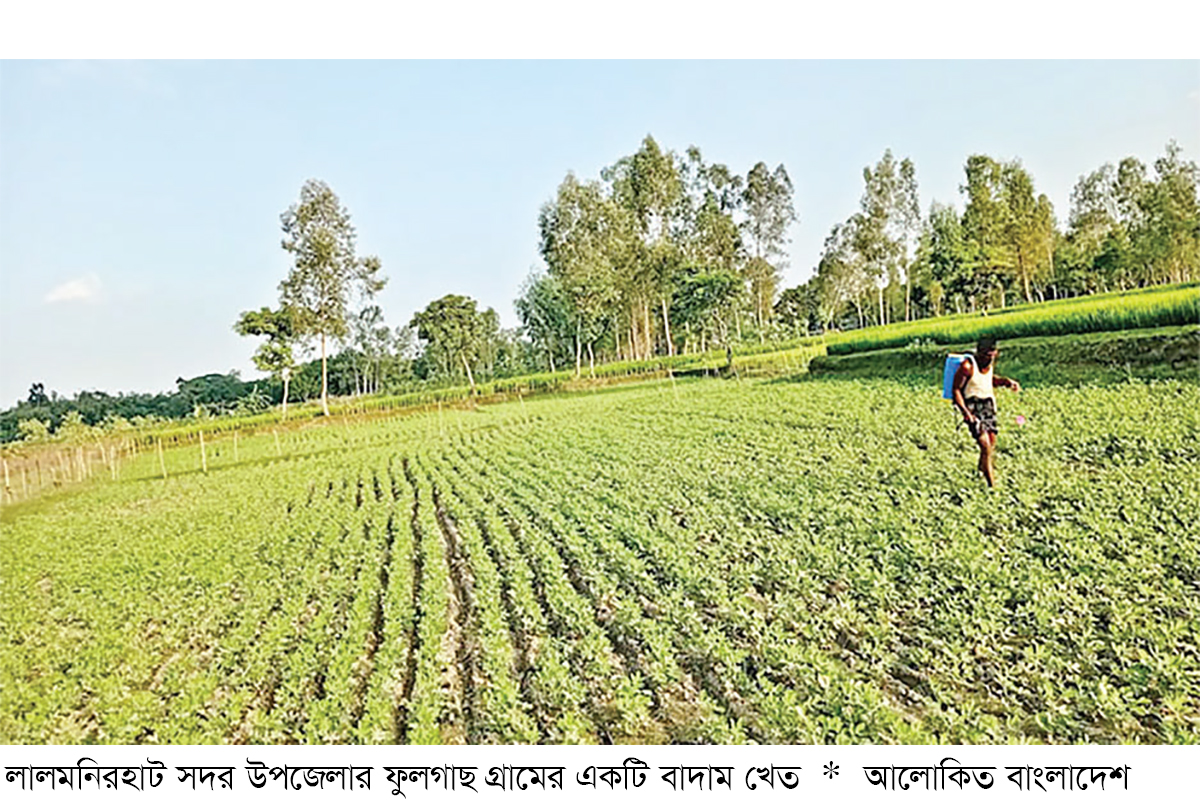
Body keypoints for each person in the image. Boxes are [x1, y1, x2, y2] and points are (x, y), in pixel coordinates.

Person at [952, 335, 1020, 487]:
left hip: (988, 406)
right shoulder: (967, 366)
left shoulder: (990, 363)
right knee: (985, 446)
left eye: (993, 355)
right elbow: (956, 390)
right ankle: (992, 487)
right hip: (973, 407)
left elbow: (988, 380)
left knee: (990, 447)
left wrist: (1005, 382)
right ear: (979, 352)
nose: (990, 359)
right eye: (987, 355)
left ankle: (979, 473)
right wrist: (966, 413)